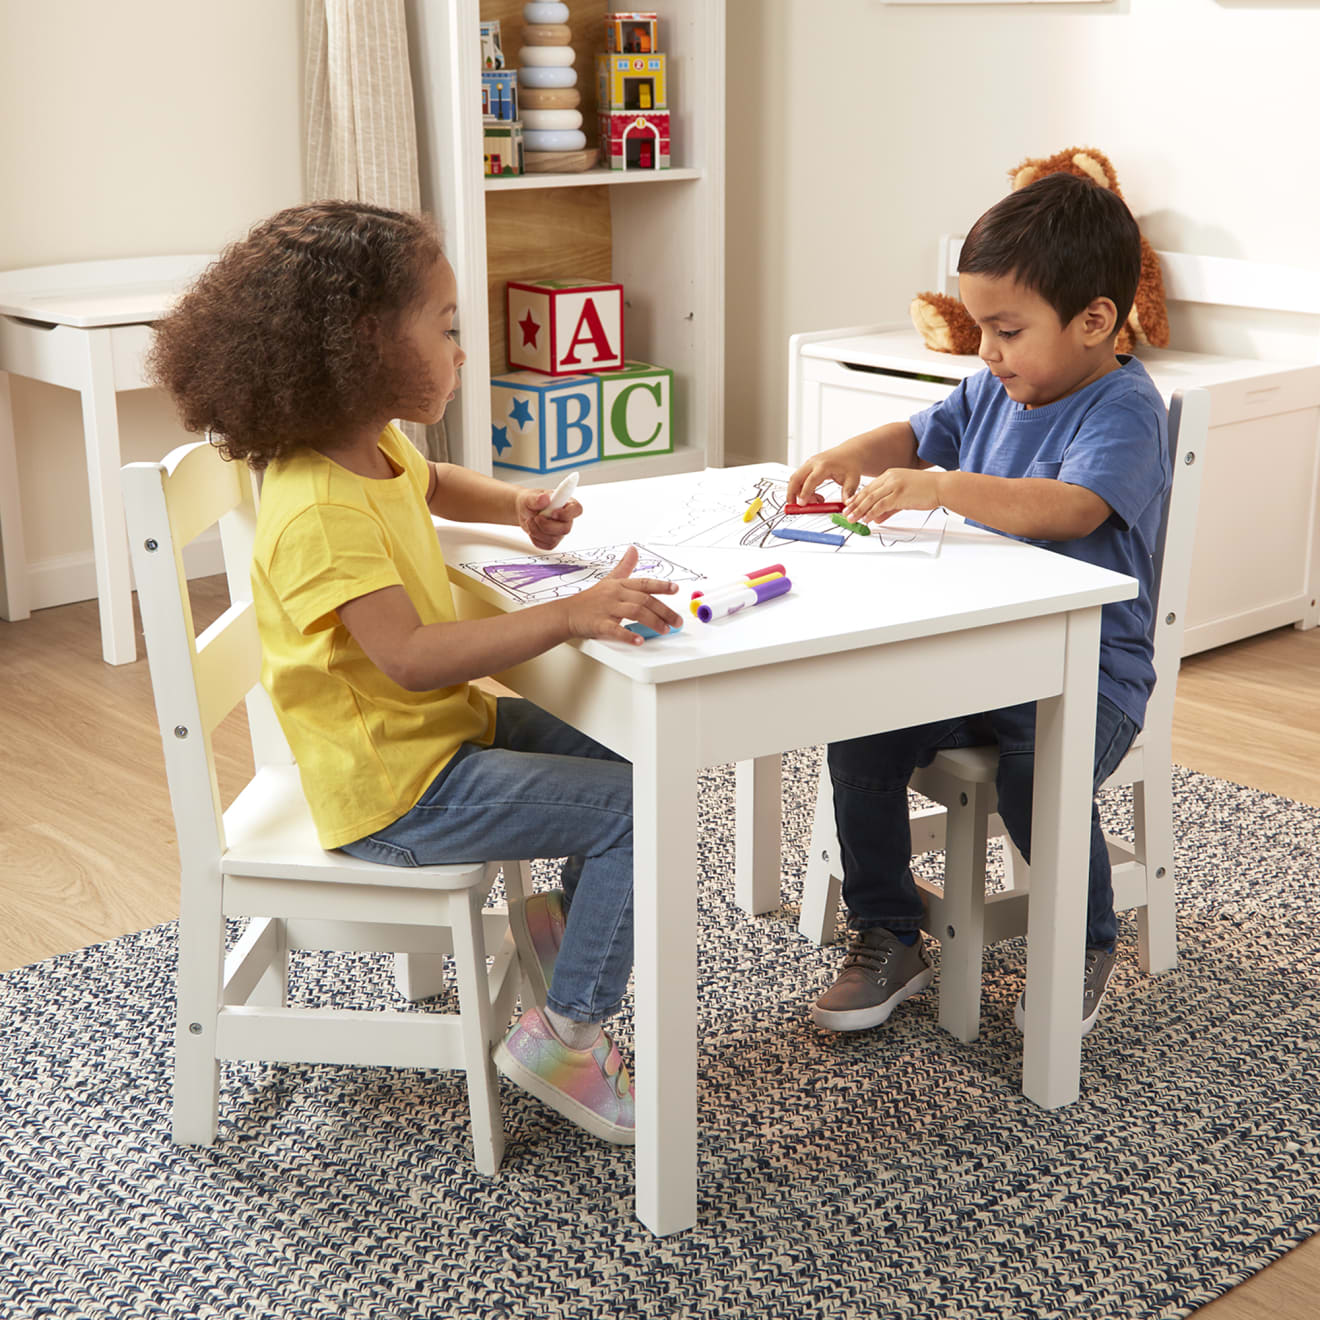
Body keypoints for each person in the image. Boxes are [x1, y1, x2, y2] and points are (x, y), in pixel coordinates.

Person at [148, 200, 685, 1146]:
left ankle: (568, 937)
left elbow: (432, 486)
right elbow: (406, 659)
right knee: (638, 809)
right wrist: (563, 615)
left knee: (635, 753)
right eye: (445, 328)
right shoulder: (317, 507)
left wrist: (517, 505)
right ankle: (564, 1036)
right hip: (398, 793)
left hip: (437, 743)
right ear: (361, 344)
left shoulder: (369, 444)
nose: (461, 351)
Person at [787, 173, 1171, 1037]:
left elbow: (1075, 508)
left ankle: (1082, 940)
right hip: (972, 657)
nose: (987, 354)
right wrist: (853, 451)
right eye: (981, 330)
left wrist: (944, 488)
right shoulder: (997, 388)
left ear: (1096, 322)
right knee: (861, 724)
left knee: (1043, 772)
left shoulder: (1124, 409)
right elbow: (919, 437)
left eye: (1006, 331)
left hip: (1087, 675)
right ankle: (889, 927)